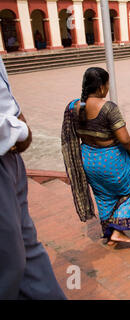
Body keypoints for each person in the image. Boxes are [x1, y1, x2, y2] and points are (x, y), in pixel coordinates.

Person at [0, 56, 67, 299]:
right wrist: (19, 129)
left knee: (28, 253)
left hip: (11, 156)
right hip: (6, 144)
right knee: (10, 266)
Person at [61, 67, 130, 246]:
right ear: (101, 87)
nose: (108, 88)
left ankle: (109, 235)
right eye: (107, 84)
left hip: (88, 160)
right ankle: (116, 230)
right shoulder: (108, 108)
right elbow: (124, 138)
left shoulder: (72, 107)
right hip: (111, 160)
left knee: (103, 196)